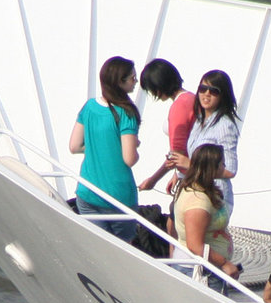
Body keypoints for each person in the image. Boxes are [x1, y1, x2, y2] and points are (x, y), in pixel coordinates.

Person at [69, 56, 141, 242]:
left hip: (87, 193)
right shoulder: (127, 113)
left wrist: (98, 146)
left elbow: (74, 146)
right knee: (122, 254)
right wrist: (135, 147)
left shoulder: (89, 107)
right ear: (120, 82)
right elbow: (129, 159)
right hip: (118, 198)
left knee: (98, 249)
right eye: (132, 78)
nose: (136, 82)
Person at [159, 69, 241, 215]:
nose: (206, 94)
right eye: (203, 89)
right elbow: (195, 157)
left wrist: (189, 164)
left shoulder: (225, 125)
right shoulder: (199, 121)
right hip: (195, 193)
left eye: (214, 91)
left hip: (214, 199)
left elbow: (230, 170)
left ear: (223, 96)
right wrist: (179, 174)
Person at [171, 144, 242, 282]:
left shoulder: (203, 190)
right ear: (212, 168)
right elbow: (195, 245)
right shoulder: (198, 201)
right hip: (199, 270)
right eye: (222, 164)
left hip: (208, 268)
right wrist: (224, 263)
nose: (224, 167)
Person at [136, 58, 195, 194]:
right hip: (190, 172)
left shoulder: (180, 106)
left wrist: (153, 179)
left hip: (192, 178)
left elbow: (177, 153)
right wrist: (177, 174)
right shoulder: (191, 98)